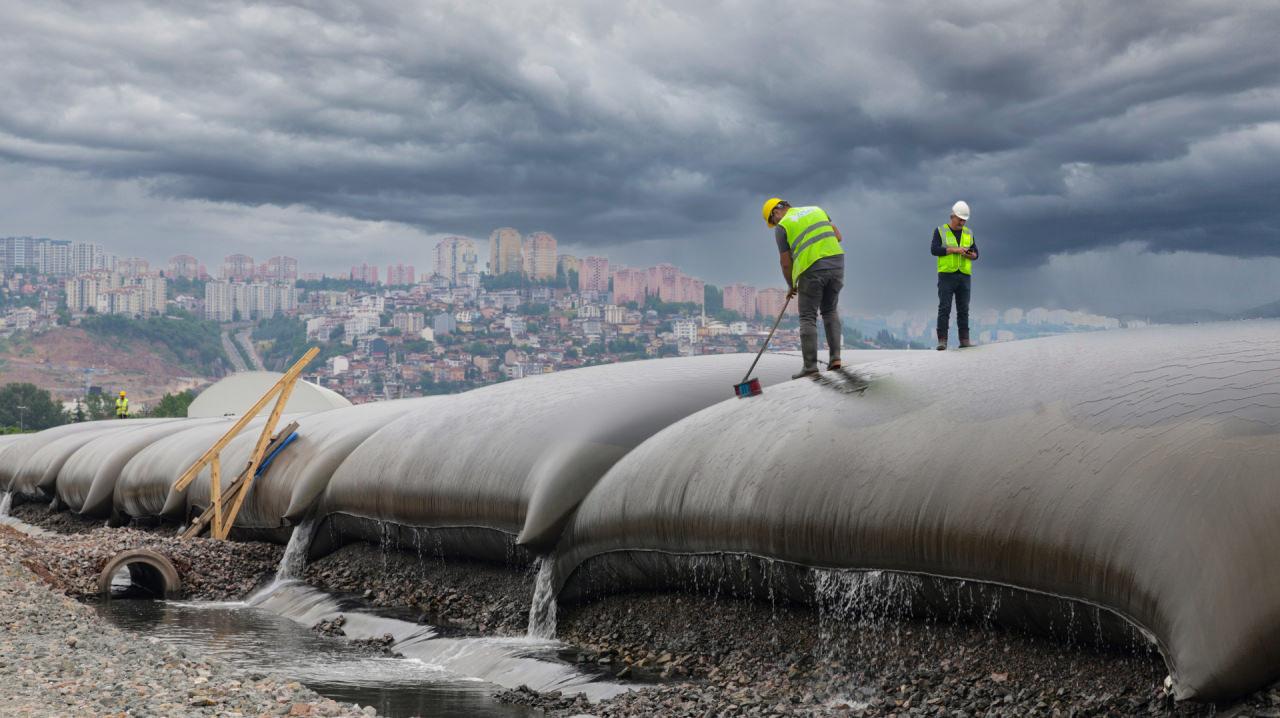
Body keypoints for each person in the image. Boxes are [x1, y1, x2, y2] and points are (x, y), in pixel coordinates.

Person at [762, 197, 845, 378]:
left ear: (775, 212)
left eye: (772, 220)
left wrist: (791, 285)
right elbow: (838, 237)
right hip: (837, 263)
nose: (774, 223)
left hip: (812, 268)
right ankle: (835, 359)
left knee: (807, 316)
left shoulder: (782, 226)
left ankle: (810, 367)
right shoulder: (817, 209)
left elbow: (785, 262)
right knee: (830, 310)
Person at [931, 200, 979, 350]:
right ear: (952, 216)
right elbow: (934, 250)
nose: (962, 222)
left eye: (964, 220)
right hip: (946, 275)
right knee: (944, 307)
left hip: (964, 276)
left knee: (963, 309)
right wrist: (954, 250)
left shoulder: (969, 233)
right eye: (960, 219)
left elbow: (977, 254)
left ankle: (964, 340)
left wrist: (970, 255)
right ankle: (942, 341)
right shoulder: (940, 231)